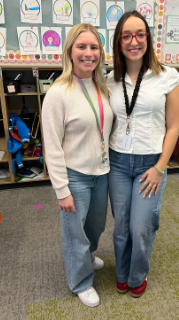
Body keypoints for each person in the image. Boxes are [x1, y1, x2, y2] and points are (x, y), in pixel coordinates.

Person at [107, 11, 179, 298]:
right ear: (119, 41)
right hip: (118, 162)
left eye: (140, 34)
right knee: (121, 227)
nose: (133, 41)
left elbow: (174, 126)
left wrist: (160, 167)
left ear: (148, 38)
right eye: (126, 36)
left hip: (151, 163)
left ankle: (139, 274)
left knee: (141, 226)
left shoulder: (167, 77)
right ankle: (122, 273)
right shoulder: (111, 79)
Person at [42, 24, 113, 308]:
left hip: (102, 172)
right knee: (75, 233)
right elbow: (52, 146)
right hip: (75, 177)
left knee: (95, 226)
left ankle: (87, 255)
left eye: (94, 47)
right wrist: (62, 190)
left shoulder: (102, 86)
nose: (88, 53)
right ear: (70, 52)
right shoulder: (58, 93)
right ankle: (80, 281)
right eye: (81, 47)